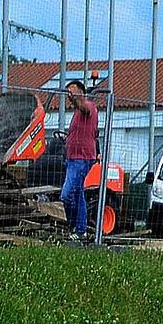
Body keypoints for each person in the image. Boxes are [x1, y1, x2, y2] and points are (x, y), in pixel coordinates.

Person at [60, 79, 99, 240]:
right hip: (72, 159)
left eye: (73, 91)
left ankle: (74, 225)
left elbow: (84, 107)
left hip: (81, 159)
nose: (69, 94)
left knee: (67, 194)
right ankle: (79, 229)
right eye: (68, 92)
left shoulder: (89, 106)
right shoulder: (76, 113)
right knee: (77, 193)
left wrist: (76, 98)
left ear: (81, 92)